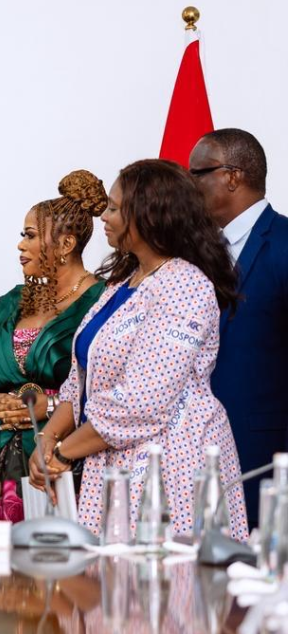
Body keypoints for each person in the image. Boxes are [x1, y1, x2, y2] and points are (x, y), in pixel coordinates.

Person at [30, 159, 248, 541]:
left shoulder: (184, 285)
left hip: (168, 467)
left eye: (114, 208)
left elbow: (141, 402)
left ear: (148, 216)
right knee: (109, 575)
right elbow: (80, 380)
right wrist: (46, 438)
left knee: (158, 576)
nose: (104, 216)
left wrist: (63, 453)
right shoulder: (123, 282)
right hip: (113, 459)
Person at [0, 170, 107, 530]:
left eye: (29, 235)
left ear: (66, 244)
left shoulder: (102, 303)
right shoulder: (14, 302)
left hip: (61, 462)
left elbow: (112, 390)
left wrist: (51, 406)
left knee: (52, 558)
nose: (20, 245)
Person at [189, 129, 288, 526]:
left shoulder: (283, 245)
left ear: (232, 176)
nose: (190, 185)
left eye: (197, 174)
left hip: (263, 456)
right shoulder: (193, 254)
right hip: (193, 456)